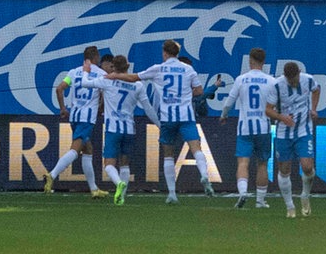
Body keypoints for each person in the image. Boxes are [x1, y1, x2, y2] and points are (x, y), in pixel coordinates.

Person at [108, 40, 213, 203]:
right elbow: (199, 91)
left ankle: (172, 193)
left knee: (168, 154)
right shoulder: (188, 69)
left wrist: (114, 75)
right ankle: (205, 175)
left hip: (167, 117)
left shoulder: (158, 69)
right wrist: (184, 96)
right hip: (185, 115)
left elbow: (133, 77)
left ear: (165, 53)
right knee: (196, 147)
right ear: (177, 53)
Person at [81, 54, 160, 204]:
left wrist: (86, 70)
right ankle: (121, 197)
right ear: (128, 66)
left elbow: (85, 83)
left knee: (109, 164)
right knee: (125, 164)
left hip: (112, 129)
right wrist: (159, 125)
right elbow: (148, 109)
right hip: (129, 129)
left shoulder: (107, 81)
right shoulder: (137, 85)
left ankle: (119, 184)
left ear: (113, 67)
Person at [43, 46, 110, 198]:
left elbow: (60, 89)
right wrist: (100, 109)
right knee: (75, 150)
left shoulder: (73, 73)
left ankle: (94, 190)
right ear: (96, 57)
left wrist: (62, 109)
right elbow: (105, 95)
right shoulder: (101, 74)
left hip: (74, 116)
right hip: (87, 118)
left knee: (88, 150)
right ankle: (52, 174)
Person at [219, 48, 275, 209]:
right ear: (264, 62)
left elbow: (229, 101)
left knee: (243, 162)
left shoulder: (241, 79)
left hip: (245, 127)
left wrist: (224, 115)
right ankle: (260, 200)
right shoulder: (271, 81)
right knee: (262, 164)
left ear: (250, 61)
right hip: (263, 127)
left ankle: (243, 193)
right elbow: (275, 103)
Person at [264, 61, 320, 218]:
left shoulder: (308, 80)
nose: (293, 82)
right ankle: (289, 206)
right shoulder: (277, 85)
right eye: (290, 80)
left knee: (307, 167)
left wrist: (314, 109)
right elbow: (268, 110)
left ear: (299, 73)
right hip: (283, 133)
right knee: (284, 169)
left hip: (304, 129)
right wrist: (281, 117)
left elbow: (316, 90)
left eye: (294, 79)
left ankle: (305, 195)